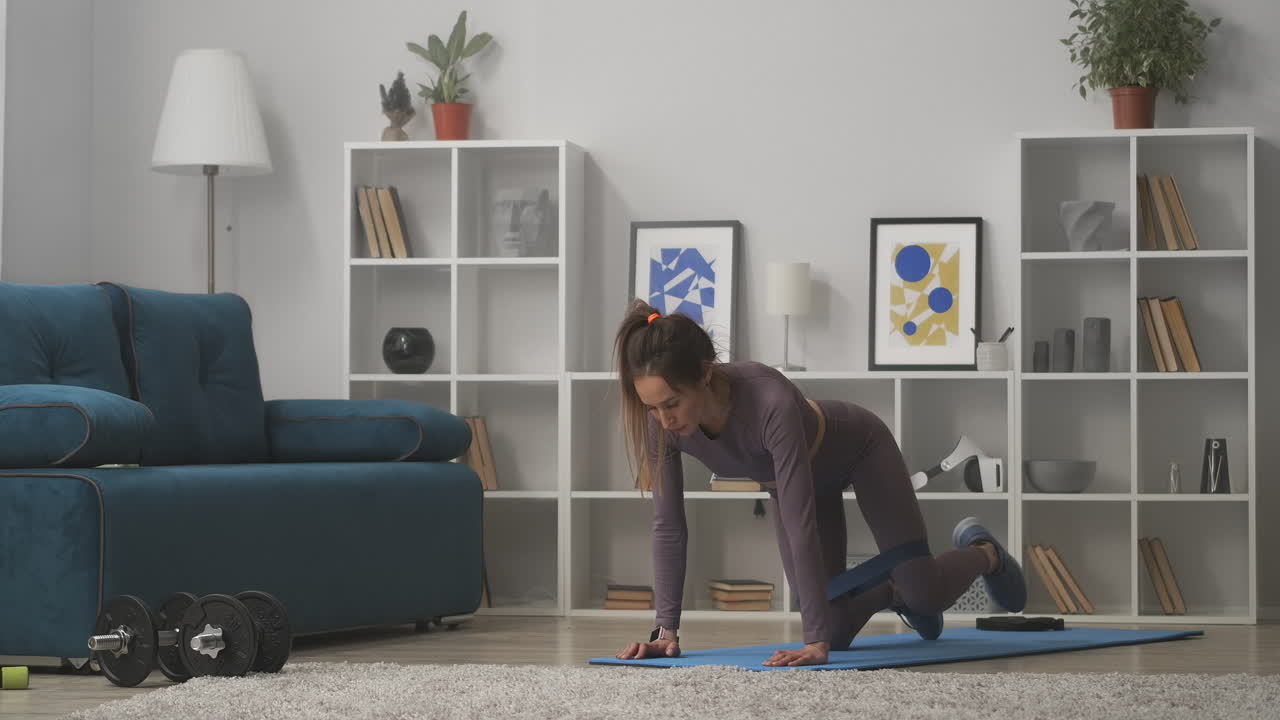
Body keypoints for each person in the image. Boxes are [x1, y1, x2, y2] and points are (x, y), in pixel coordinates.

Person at [611, 300, 1027, 667]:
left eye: (671, 403)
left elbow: (800, 520)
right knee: (836, 629)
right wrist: (665, 633)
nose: (663, 419)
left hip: (861, 451)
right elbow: (668, 526)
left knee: (927, 595)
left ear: (704, 374)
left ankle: (985, 553)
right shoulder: (660, 426)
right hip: (796, 485)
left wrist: (814, 643)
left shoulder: (768, 400)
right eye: (651, 407)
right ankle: (894, 591)